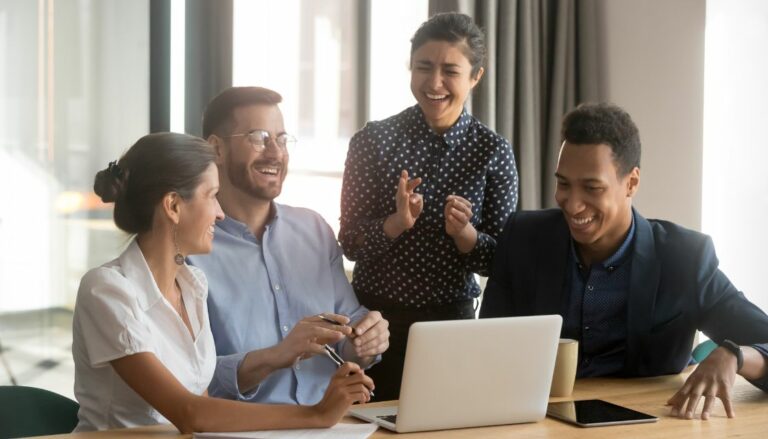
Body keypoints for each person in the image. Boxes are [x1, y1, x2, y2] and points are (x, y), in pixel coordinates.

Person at [480, 103, 768, 420]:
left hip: (649, 425)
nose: (572, 204)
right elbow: (487, 351)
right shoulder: (522, 238)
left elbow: (762, 337)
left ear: (631, 183)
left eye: (591, 187)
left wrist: (735, 355)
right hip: (535, 423)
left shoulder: (684, 258)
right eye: (563, 183)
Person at [73, 133, 372, 432]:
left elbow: (203, 407)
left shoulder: (192, 285)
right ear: (173, 206)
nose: (220, 213)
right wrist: (316, 415)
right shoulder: (107, 290)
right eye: (211, 195)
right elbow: (190, 412)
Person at [338, 12, 519, 400]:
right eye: (424, 67)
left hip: (450, 324)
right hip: (373, 323)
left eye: (450, 70)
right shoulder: (372, 141)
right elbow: (349, 243)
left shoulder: (493, 151)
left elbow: (503, 262)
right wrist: (396, 223)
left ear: (476, 77)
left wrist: (466, 236)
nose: (434, 83)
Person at [187, 87, 389, 405]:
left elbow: (348, 325)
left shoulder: (315, 230)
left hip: (336, 425)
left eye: (281, 139)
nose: (275, 153)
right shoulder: (191, 252)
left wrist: (366, 338)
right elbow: (189, 379)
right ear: (217, 149)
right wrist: (277, 355)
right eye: (259, 137)